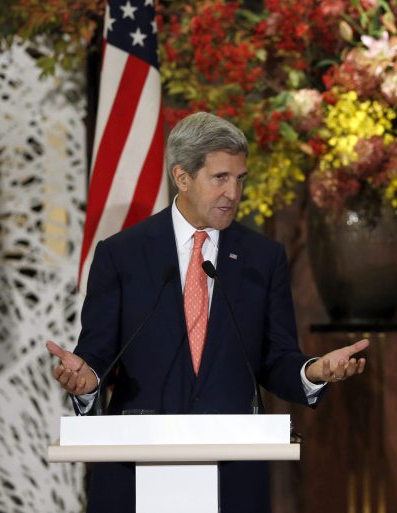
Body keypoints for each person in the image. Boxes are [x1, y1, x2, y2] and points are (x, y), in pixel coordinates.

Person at [46, 112, 369, 513]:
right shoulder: (121, 254)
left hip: (232, 472)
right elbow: (98, 354)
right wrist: (86, 381)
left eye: (240, 178)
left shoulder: (262, 258)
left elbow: (275, 358)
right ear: (182, 177)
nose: (233, 192)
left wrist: (314, 371)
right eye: (220, 178)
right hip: (136, 467)